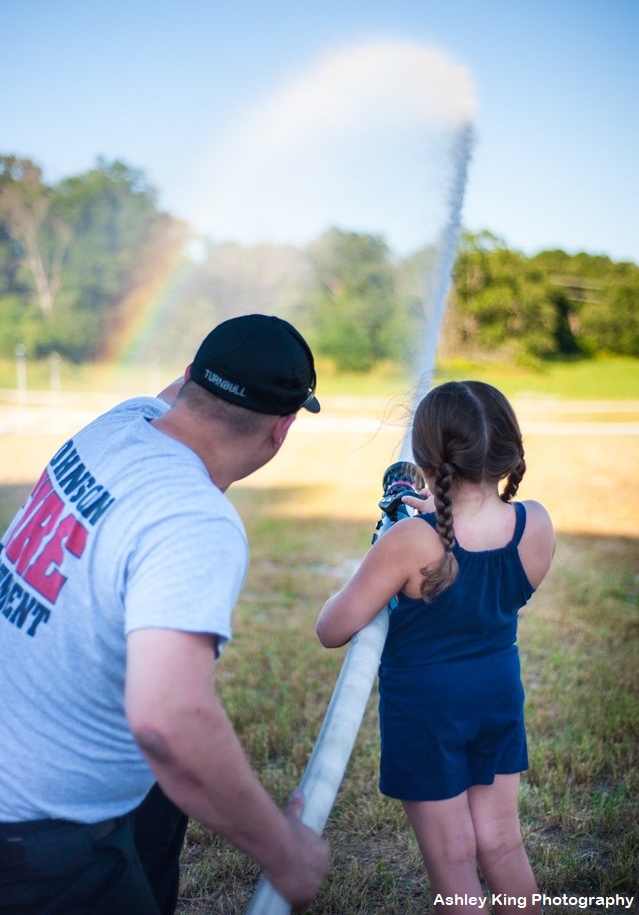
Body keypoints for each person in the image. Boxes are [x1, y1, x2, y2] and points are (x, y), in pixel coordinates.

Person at [0, 313, 330, 915]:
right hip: (38, 839)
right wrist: (286, 852)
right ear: (282, 431)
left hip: (19, 773)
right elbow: (167, 719)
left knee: (159, 812)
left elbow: (169, 402)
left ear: (185, 379)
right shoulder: (195, 519)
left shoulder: (118, 422)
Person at [316, 381, 554, 915]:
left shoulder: (410, 541)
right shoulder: (535, 523)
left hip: (426, 709)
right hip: (497, 694)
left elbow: (331, 628)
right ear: (507, 450)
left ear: (425, 459)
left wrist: (391, 533)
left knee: (452, 861)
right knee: (502, 842)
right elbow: (482, 565)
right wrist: (426, 514)